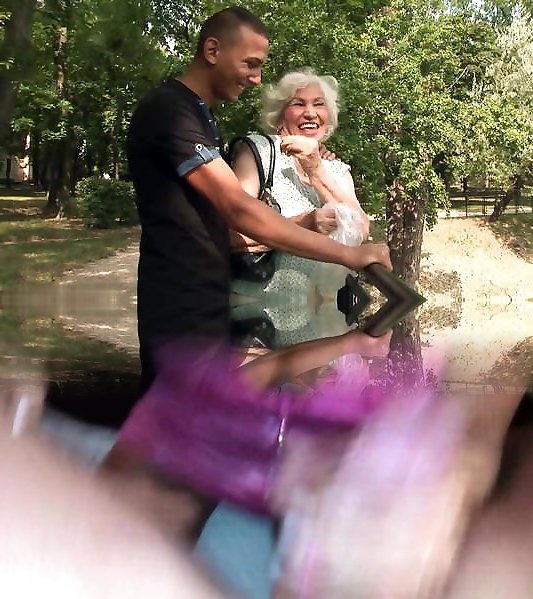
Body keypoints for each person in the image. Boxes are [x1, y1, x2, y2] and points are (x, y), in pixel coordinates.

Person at [126, 6, 391, 396]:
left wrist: (345, 344)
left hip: (207, 303)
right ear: (213, 51)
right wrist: (348, 255)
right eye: (250, 64)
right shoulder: (171, 110)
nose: (256, 78)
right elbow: (238, 209)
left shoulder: (199, 116)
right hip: (182, 304)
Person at [229, 69, 371, 345]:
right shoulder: (260, 153)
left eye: (319, 104)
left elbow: (361, 230)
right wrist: (303, 224)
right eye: (298, 103)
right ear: (280, 116)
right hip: (255, 323)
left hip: (325, 323)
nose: (310, 113)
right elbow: (230, 233)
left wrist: (316, 169)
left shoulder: (335, 170)